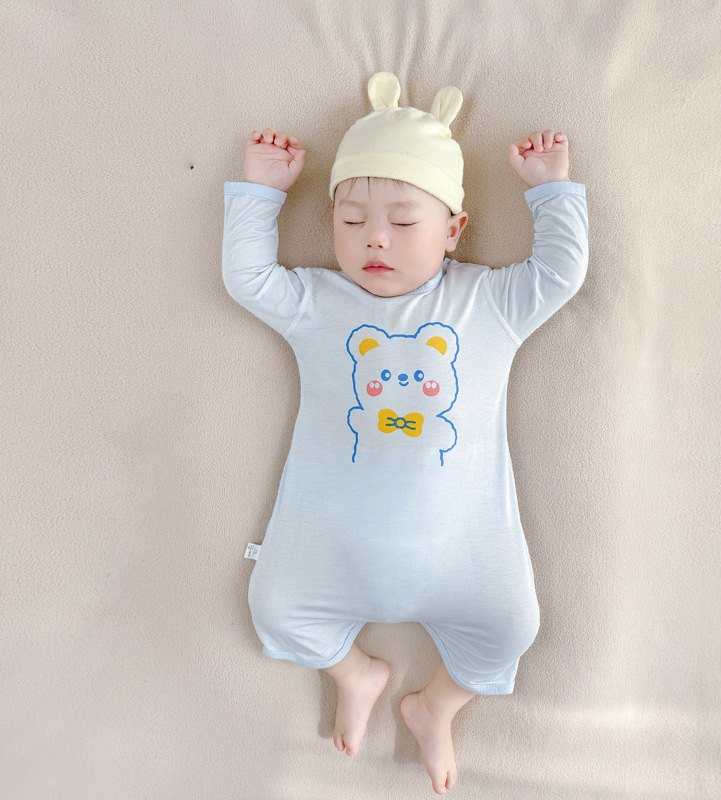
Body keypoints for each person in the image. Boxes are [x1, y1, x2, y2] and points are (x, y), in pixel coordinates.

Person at [221, 72, 588, 795]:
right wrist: (260, 193)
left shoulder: (487, 302)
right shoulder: (318, 302)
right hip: (333, 551)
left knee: (513, 628)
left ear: (453, 229)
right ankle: (354, 673)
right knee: (273, 605)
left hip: (464, 555)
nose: (376, 239)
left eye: (403, 222)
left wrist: (552, 191)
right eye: (352, 221)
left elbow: (559, 274)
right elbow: (249, 279)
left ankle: (434, 706)